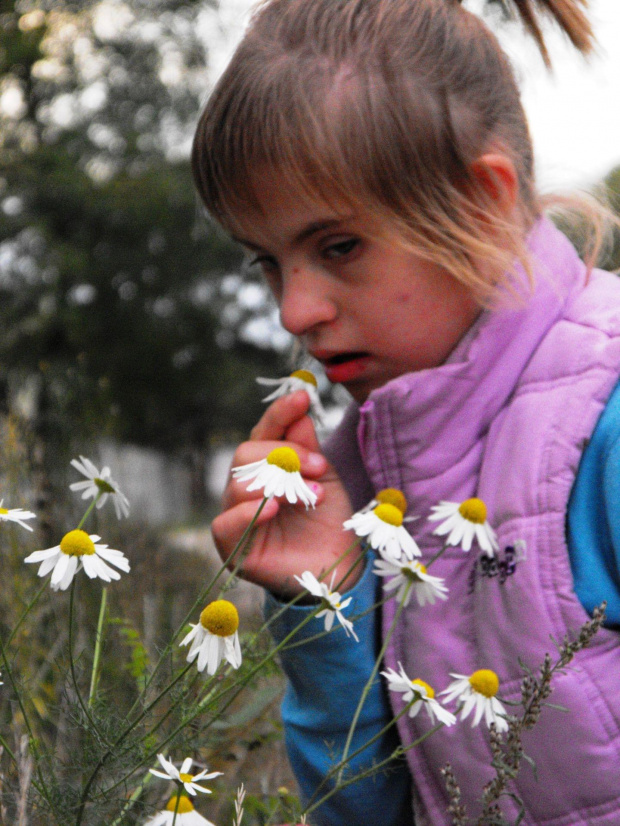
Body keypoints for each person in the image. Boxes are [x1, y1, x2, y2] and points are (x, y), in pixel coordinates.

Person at [191, 0, 620, 823]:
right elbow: (375, 809)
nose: (295, 311)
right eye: (268, 264)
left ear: (485, 202)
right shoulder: (365, 471)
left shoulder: (603, 427)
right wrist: (328, 602)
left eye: (337, 246)